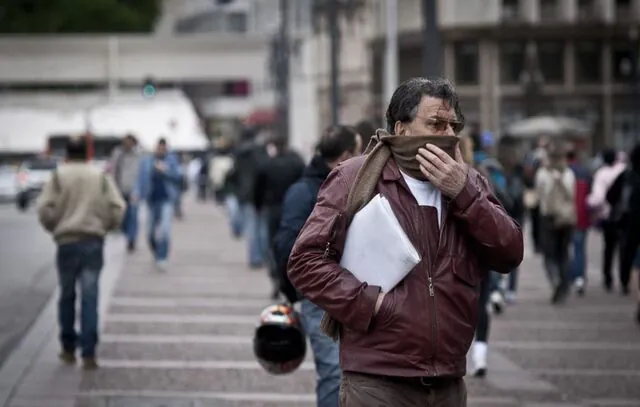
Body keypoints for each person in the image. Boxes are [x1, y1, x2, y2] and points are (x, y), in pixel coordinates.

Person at [288, 77, 523, 406]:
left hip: (448, 381)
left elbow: (510, 252)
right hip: (377, 380)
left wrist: (465, 195)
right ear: (400, 129)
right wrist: (372, 304)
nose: (447, 134)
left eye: (452, 125)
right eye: (435, 123)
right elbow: (304, 262)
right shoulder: (354, 178)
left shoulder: (470, 181)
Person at [273, 125, 361, 407]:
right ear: (347, 155)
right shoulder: (305, 191)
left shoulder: (353, 185)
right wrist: (298, 293)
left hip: (355, 293)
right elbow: (286, 246)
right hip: (321, 297)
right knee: (334, 374)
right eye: (360, 152)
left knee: (356, 375)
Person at [37, 137, 125, 370]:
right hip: (93, 241)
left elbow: (44, 208)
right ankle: (88, 351)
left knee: (67, 295)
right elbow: (118, 207)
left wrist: (54, 226)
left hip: (66, 241)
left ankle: (68, 348)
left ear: (67, 153)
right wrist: (106, 226)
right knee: (90, 296)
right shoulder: (99, 176)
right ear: (87, 153)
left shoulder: (58, 176)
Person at [254, 135, 305, 299]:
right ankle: (290, 278)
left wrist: (258, 206)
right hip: (293, 208)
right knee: (292, 244)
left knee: (273, 246)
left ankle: (276, 276)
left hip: (273, 208)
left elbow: (258, 188)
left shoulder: (268, 164)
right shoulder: (296, 163)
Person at [535, 142, 576, 304]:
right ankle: (564, 284)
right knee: (564, 253)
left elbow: (539, 195)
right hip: (566, 219)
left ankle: (555, 281)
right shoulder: (569, 173)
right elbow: (572, 195)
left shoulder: (542, 173)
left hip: (549, 218)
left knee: (549, 255)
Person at [135, 138, 183, 271]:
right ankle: (156, 251)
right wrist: (137, 193)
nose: (161, 150)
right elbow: (140, 179)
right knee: (150, 232)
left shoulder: (171, 161)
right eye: (159, 148)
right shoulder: (147, 161)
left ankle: (162, 256)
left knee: (164, 230)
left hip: (166, 199)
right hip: (151, 200)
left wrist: (165, 170)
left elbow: (179, 177)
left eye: (164, 148)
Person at [587, 148, 626, 292]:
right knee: (624, 248)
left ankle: (608, 277)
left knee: (608, 248)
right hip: (625, 216)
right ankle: (624, 278)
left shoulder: (601, 174)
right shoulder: (623, 171)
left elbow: (597, 198)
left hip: (608, 216)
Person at [606, 144, 640, 297]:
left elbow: (610, 196)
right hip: (629, 220)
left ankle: (625, 281)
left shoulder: (627, 175)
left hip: (629, 221)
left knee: (627, 251)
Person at [109, 134, 141, 253]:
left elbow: (140, 173)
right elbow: (113, 170)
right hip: (119, 189)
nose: (126, 145)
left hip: (133, 190)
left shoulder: (138, 155)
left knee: (133, 215)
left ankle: (131, 239)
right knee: (123, 216)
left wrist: (140, 189)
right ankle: (126, 233)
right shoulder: (118, 153)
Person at [567, 149, 591, 295]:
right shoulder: (584, 172)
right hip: (582, 216)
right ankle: (580, 278)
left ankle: (569, 276)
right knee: (580, 249)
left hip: (567, 216)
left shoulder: (564, 173)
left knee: (566, 249)